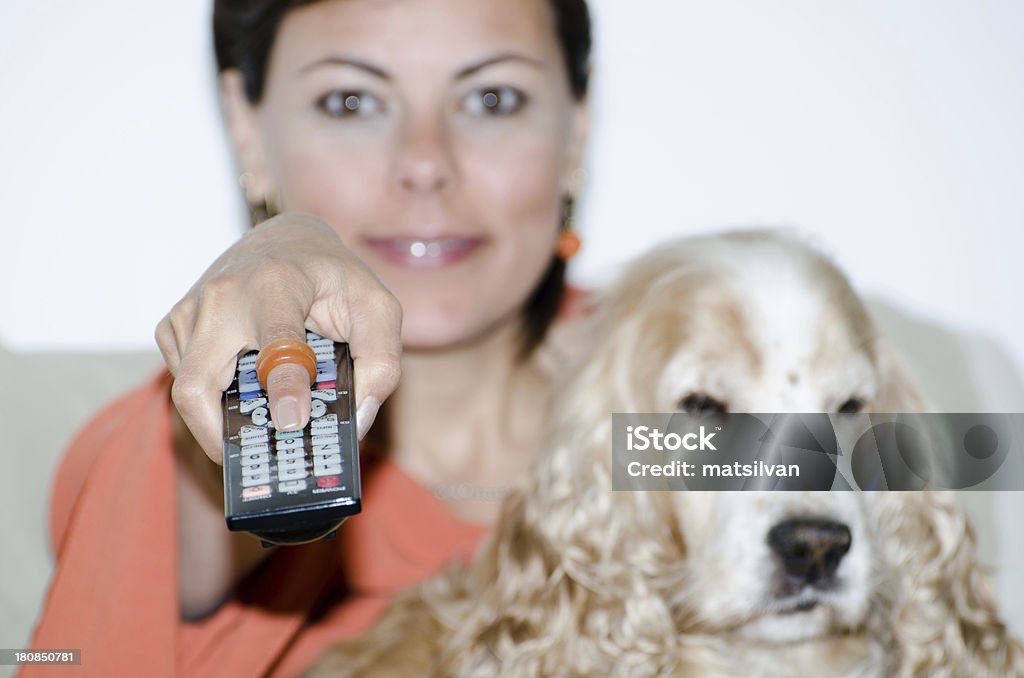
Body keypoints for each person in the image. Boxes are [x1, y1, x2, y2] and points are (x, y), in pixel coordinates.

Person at [27, 0, 591, 675]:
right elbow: (143, 595)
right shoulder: (171, 443)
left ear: (576, 131)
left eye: (492, 99)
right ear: (246, 126)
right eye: (350, 102)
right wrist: (280, 259)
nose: (424, 163)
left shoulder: (674, 387)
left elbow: (748, 482)